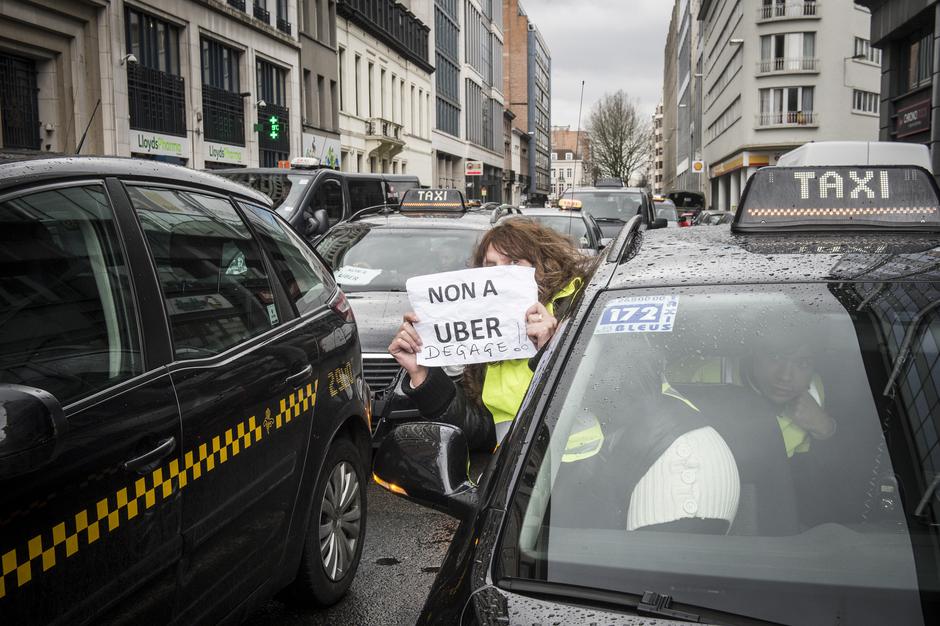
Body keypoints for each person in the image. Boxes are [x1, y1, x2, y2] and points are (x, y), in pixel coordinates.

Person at [388, 219, 595, 452]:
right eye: (491, 265)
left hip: (581, 464)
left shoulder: (581, 305)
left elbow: (609, 391)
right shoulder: (486, 332)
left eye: (514, 262)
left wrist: (551, 350)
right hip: (517, 473)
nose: (499, 272)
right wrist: (422, 374)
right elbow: (480, 430)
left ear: (542, 265)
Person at [742, 343, 836, 458]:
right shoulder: (717, 377)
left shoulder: (814, 392)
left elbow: (806, 466)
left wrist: (823, 426)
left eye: (803, 363)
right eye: (775, 357)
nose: (785, 376)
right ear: (755, 352)